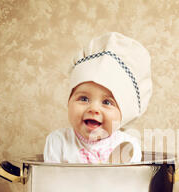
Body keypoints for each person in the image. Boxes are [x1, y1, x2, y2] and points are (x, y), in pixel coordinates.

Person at [43, 32, 152, 163]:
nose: (93, 109)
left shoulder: (127, 146)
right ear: (69, 101)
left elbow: (131, 182)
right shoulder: (58, 142)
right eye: (83, 99)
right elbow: (50, 180)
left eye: (107, 102)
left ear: (123, 114)